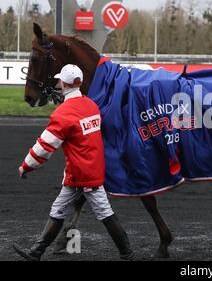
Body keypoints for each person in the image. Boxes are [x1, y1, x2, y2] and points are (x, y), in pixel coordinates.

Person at [13, 64, 135, 261]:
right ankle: (36, 253)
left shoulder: (64, 113)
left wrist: (25, 166)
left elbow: (44, 147)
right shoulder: (91, 105)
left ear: (63, 83)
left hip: (81, 175)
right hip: (88, 171)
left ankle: (127, 254)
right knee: (59, 209)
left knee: (103, 212)